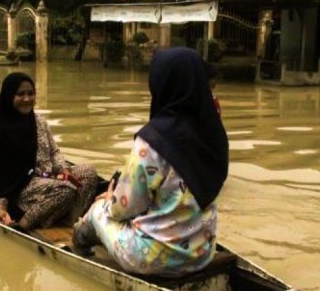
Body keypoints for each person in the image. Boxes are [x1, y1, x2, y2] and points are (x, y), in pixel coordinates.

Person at [72, 47, 229, 277]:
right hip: (202, 254)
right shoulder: (214, 134)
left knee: (98, 212)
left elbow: (121, 209)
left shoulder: (152, 141)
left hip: (152, 259)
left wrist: (108, 200)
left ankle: (80, 244)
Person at [0, 72, 98, 230]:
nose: (27, 99)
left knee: (89, 172)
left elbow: (54, 152)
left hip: (51, 176)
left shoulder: (39, 121)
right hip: (23, 188)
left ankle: (70, 220)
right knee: (66, 190)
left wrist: (64, 169)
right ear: (9, 96)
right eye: (21, 94)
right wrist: (0, 208)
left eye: (30, 93)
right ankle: (23, 225)